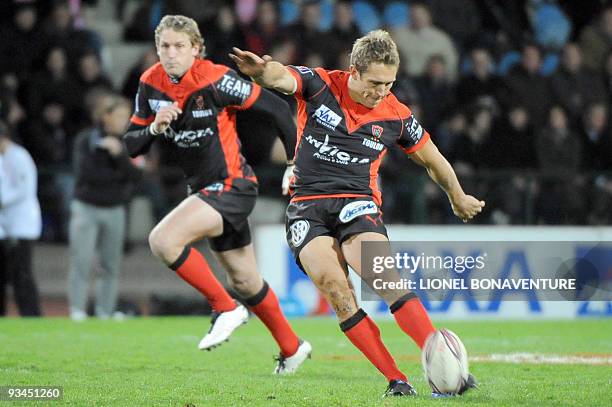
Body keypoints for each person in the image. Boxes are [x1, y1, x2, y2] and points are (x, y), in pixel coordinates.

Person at [230, 30, 485, 396]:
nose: (382, 91)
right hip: (306, 209)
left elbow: (433, 160)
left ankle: (442, 359)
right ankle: (396, 380)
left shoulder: (396, 115)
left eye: (390, 83)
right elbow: (281, 77)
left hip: (357, 203)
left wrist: (457, 195)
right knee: (338, 292)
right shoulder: (319, 86)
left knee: (385, 280)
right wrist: (260, 72)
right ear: (354, 70)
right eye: (375, 82)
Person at [122, 15, 310, 374]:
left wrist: (292, 163)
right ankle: (292, 347)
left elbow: (279, 109)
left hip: (232, 185)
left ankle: (224, 307)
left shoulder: (215, 78)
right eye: (165, 46)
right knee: (245, 280)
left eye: (180, 46)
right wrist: (156, 128)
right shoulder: (150, 83)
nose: (171, 54)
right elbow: (132, 144)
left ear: (196, 48)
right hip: (205, 189)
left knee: (163, 241)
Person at [67, 94, 137, 321]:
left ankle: (104, 311)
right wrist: (116, 175)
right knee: (82, 261)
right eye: (119, 116)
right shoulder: (86, 139)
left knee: (110, 264)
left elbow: (137, 176)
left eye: (126, 116)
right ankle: (77, 309)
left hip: (115, 209)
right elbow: (86, 175)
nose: (124, 121)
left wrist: (119, 156)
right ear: (106, 117)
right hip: (86, 207)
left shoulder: (128, 142)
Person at [0, 120, 42, 316]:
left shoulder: (19, 157)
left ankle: (31, 313)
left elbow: (23, 189)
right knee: (8, 272)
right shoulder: (4, 157)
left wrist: (3, 199)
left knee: (22, 272)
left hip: (23, 222)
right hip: (7, 222)